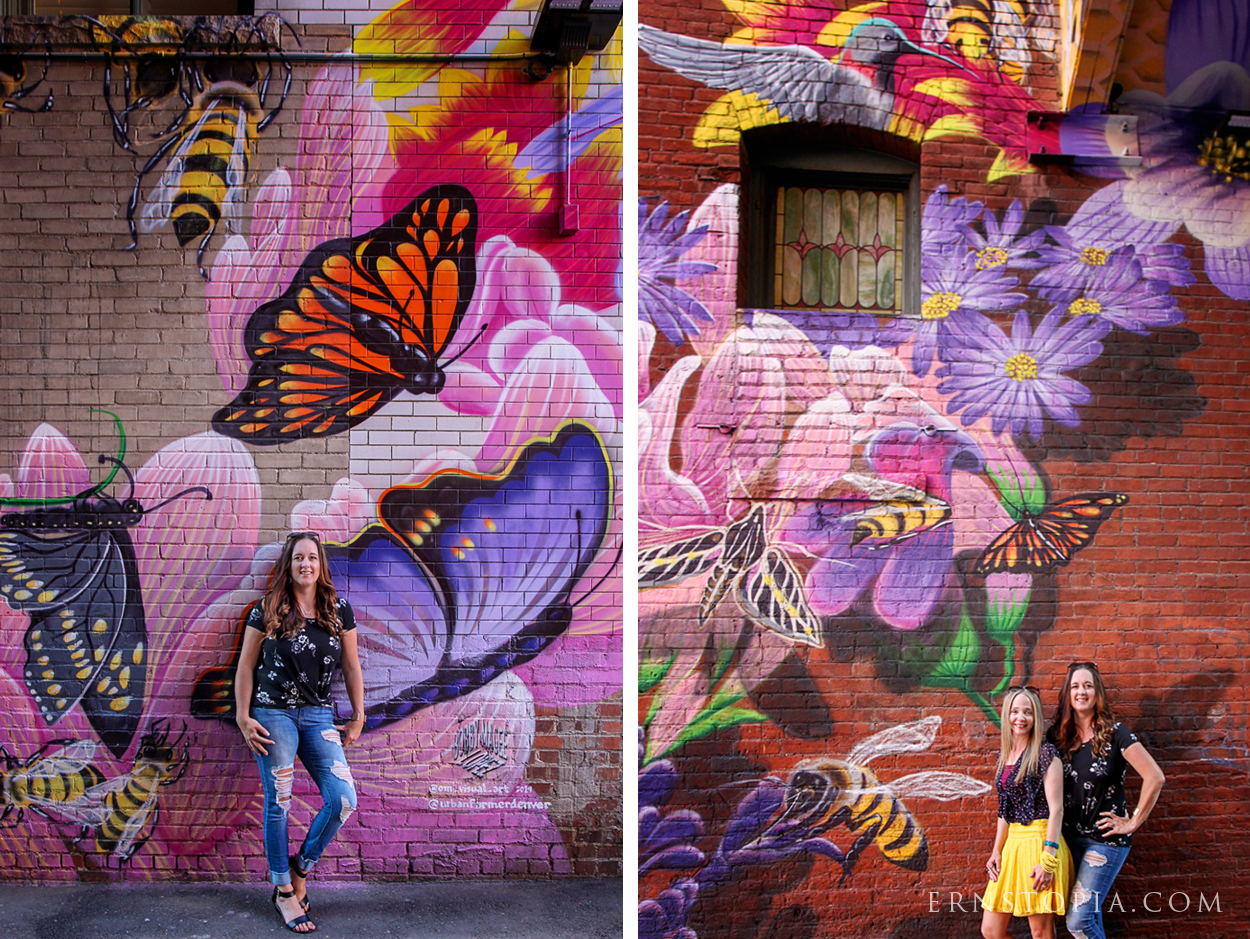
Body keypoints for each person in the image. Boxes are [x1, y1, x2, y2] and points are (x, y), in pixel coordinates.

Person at [235, 532, 365, 933]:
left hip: (318, 717)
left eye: (312, 558)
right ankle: (282, 891)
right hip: (272, 714)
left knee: (343, 798)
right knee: (281, 801)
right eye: (298, 559)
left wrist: (358, 716)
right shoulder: (268, 608)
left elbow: (352, 666)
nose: (305, 564)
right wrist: (242, 716)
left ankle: (299, 869)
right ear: (288, 566)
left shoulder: (338, 610)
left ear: (320, 565)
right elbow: (245, 666)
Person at [1048, 662, 1165, 939]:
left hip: (1105, 842)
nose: (1081, 691)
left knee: (1078, 921)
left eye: (1088, 685)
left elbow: (1155, 777)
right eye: (1075, 686)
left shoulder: (1116, 733)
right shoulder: (1057, 737)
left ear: (1097, 692)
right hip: (1069, 840)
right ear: (1067, 694)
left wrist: (1133, 821)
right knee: (1091, 916)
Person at [981, 686, 1072, 939]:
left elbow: (1057, 811)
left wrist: (1048, 860)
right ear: (1007, 715)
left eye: (1028, 712)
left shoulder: (1045, 754)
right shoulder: (1004, 755)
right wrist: (996, 850)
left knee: (1041, 933)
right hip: (1013, 846)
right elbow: (1004, 809)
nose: (1021, 718)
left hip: (1040, 843)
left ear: (1036, 717)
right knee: (990, 931)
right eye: (1015, 711)